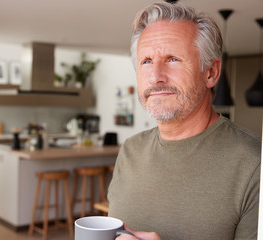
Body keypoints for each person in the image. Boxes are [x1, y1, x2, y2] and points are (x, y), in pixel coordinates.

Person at [108, 2, 261, 240]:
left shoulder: (254, 162)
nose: (156, 77)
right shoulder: (130, 151)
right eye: (146, 61)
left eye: (173, 59)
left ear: (211, 72)